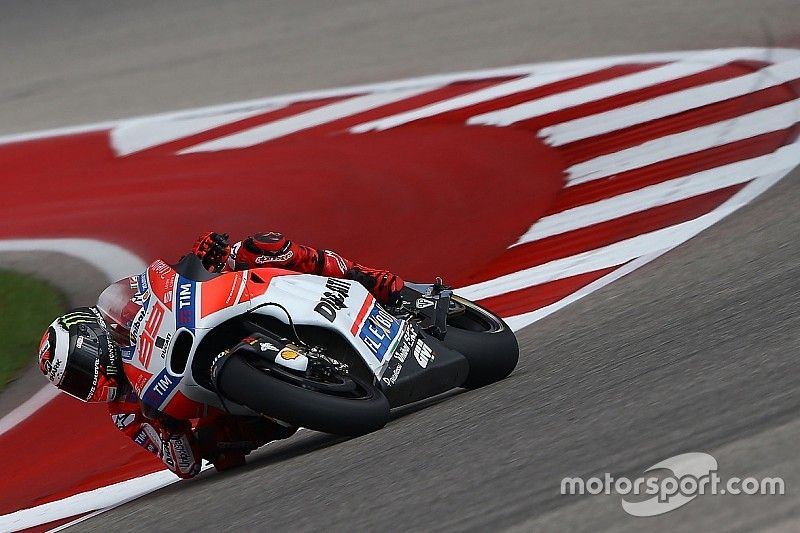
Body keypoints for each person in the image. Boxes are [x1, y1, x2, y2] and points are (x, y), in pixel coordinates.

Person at [36, 232, 404, 478]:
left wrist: (207, 259)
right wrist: (167, 427)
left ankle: (367, 277)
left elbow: (162, 283)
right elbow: (186, 465)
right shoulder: (125, 415)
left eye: (82, 371)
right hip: (221, 399)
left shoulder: (127, 314)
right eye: (77, 385)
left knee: (262, 246)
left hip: (207, 319)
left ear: (95, 337)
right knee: (217, 447)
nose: (91, 385)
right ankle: (288, 402)